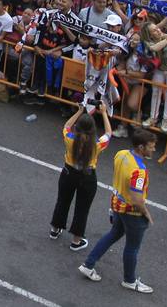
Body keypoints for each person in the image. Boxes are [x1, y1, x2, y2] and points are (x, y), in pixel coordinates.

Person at [78, 126, 157, 293]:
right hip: (132, 212)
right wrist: (147, 214)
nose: (154, 149)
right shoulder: (139, 171)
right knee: (132, 247)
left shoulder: (121, 154)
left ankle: (88, 264)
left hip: (117, 204)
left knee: (113, 234)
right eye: (151, 146)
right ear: (141, 147)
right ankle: (129, 280)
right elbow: (137, 199)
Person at [50, 103, 112, 251]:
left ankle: (55, 229)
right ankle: (76, 240)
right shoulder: (96, 145)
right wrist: (103, 113)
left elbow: (66, 126)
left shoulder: (70, 139)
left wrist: (79, 111)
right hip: (87, 177)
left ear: (77, 128)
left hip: (68, 173)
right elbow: (109, 133)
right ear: (93, 130)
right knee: (82, 209)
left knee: (62, 201)